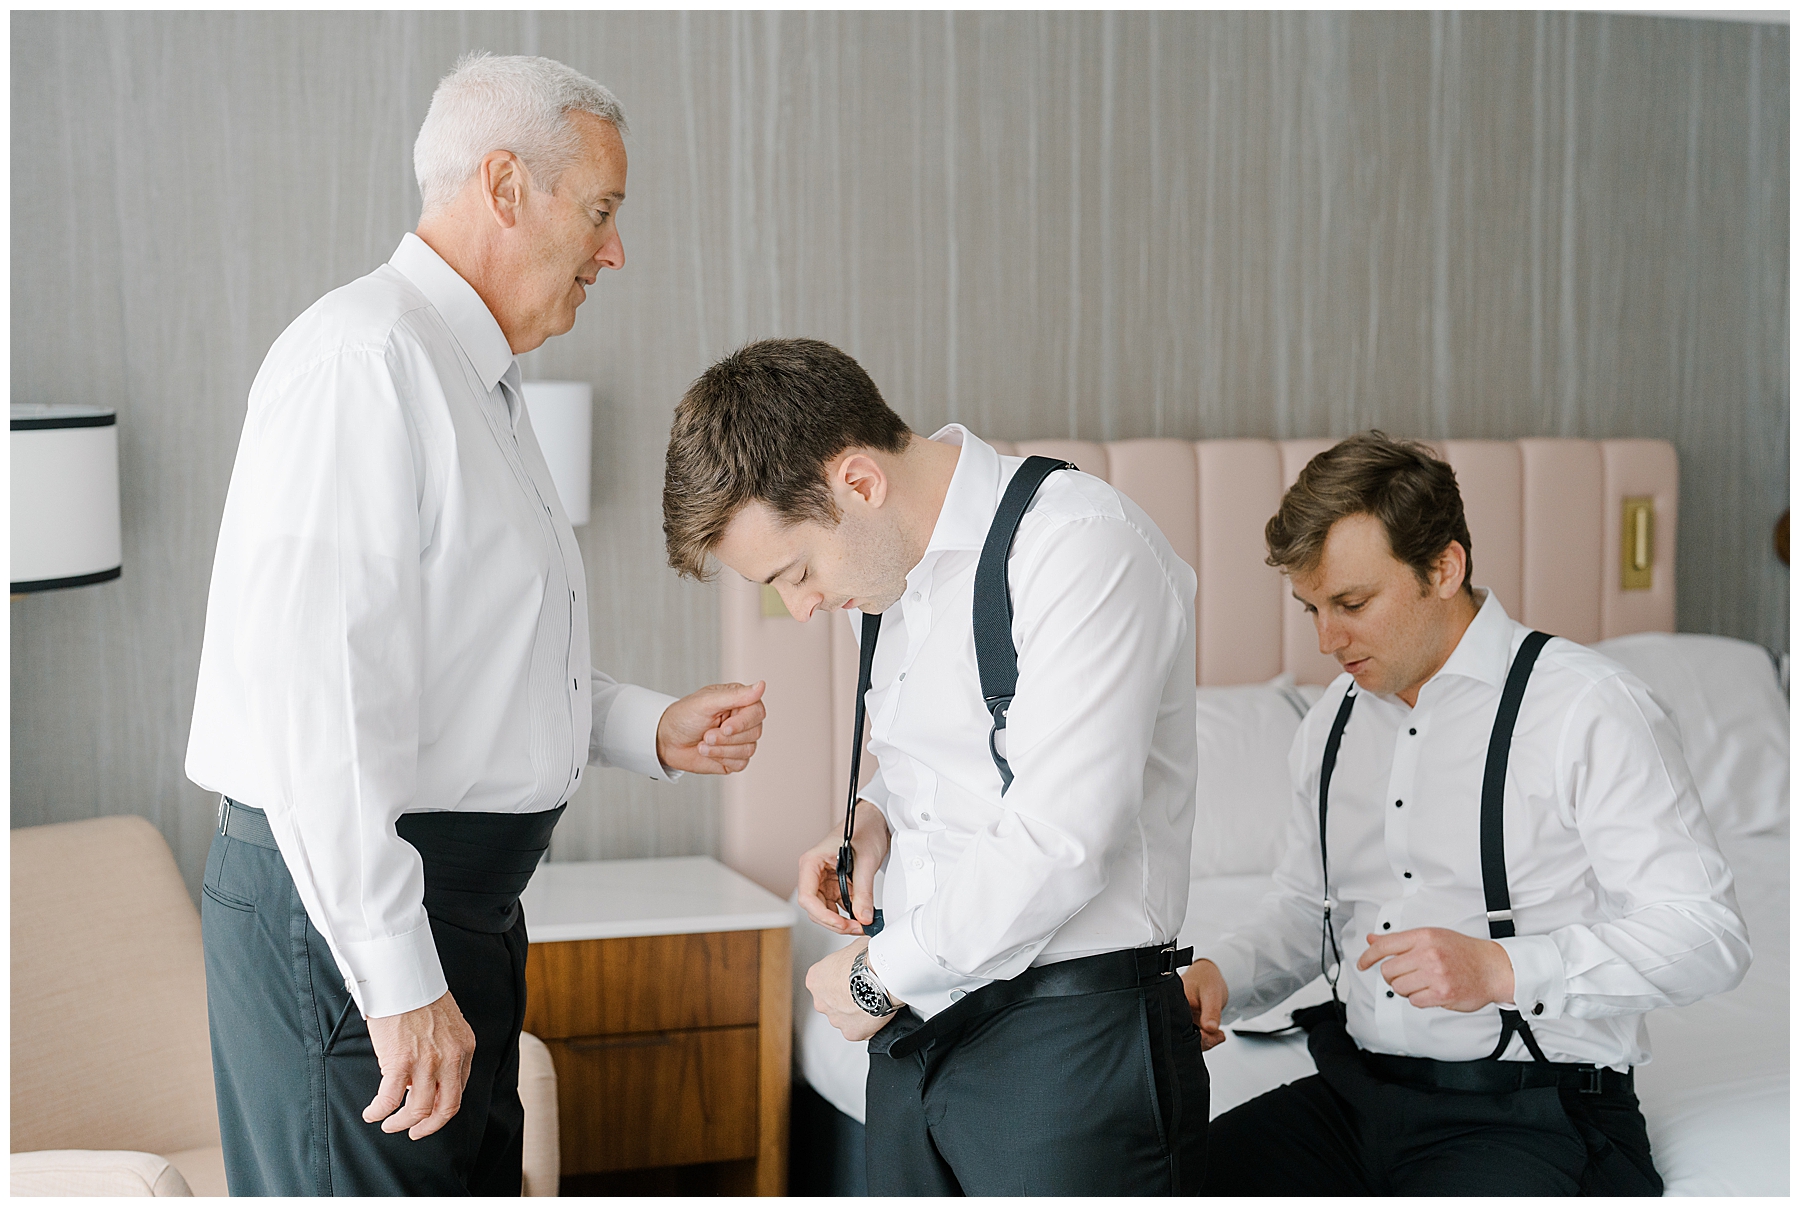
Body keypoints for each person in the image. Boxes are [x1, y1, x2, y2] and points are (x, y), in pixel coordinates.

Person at [185, 53, 766, 1196]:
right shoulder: (366, 360)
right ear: (505, 185)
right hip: (354, 915)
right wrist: (397, 978)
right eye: (601, 211)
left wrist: (647, 727)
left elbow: (468, 658)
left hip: (457, 908)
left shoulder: (473, 378)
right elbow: (324, 706)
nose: (616, 251)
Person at [662, 337, 1207, 1194]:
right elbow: (958, 759)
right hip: (921, 1034)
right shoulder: (882, 572)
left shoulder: (1080, 546)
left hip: (1070, 1044)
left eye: (795, 573)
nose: (801, 609)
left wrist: (878, 978)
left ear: (859, 482)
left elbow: (1058, 838)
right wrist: (874, 818)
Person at [1184, 432, 1751, 1195]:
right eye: (1312, 607)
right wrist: (1224, 974)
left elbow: (1706, 934)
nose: (1326, 638)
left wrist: (1501, 968)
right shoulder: (1332, 723)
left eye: (1352, 603)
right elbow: (1304, 909)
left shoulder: (1589, 708)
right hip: (1357, 1096)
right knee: (1163, 1182)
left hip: (1531, 1108)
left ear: (1444, 568)